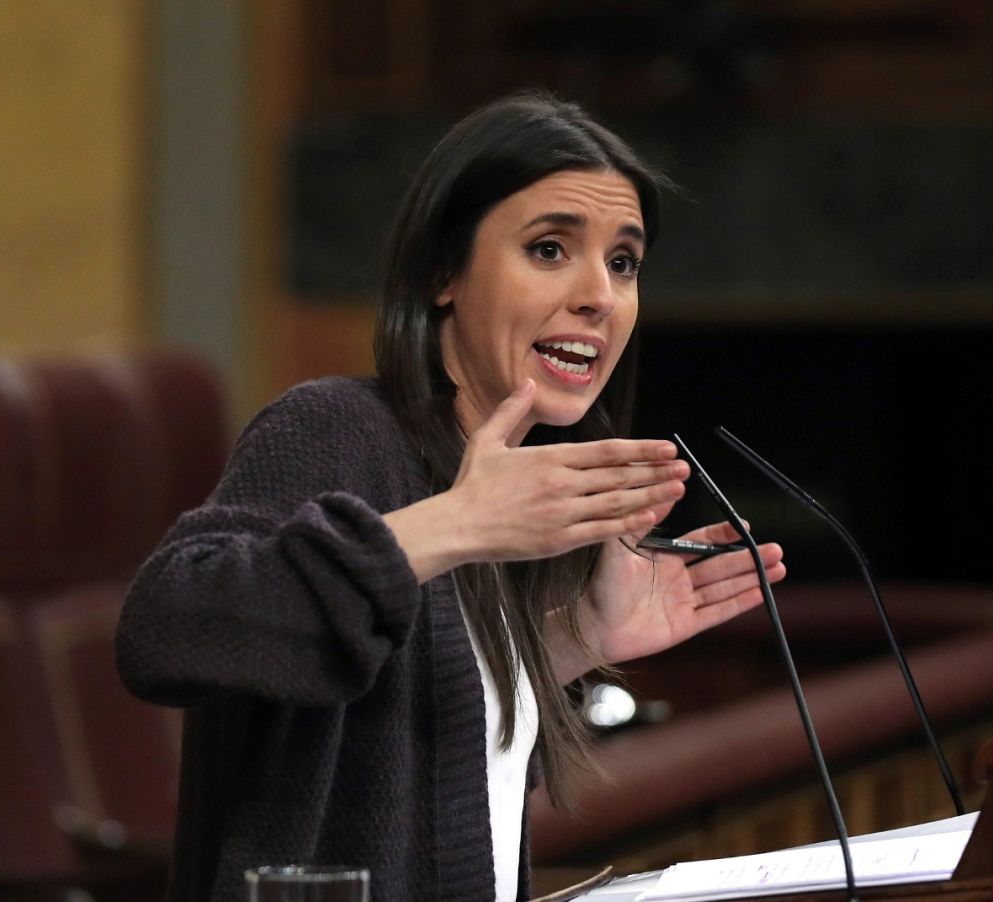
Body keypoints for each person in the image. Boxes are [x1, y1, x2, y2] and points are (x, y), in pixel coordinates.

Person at [116, 92, 786, 902]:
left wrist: (571, 641)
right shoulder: (339, 429)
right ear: (443, 273)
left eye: (623, 262)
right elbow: (166, 628)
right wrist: (455, 526)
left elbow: (430, 785)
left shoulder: (500, 492)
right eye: (548, 249)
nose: (600, 297)